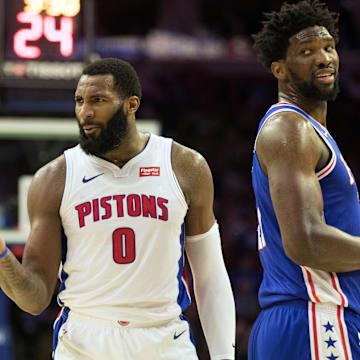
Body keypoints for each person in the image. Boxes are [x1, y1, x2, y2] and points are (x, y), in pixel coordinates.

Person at [0, 58, 236, 360]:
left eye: (98, 100)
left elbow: (210, 275)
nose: (85, 112)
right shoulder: (54, 179)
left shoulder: (185, 167)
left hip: (164, 339)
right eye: (80, 101)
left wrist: (224, 356)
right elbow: (34, 299)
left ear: (131, 104)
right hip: (85, 341)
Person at [249, 0, 360, 359]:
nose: (324, 58)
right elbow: (306, 241)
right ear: (279, 69)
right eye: (306, 51)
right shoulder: (289, 128)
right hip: (315, 319)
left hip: (312, 319)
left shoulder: (307, 131)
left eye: (328, 47)